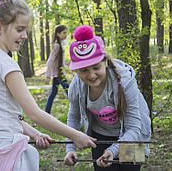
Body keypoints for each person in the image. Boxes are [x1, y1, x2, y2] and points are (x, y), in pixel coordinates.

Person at [0, 0, 97, 171]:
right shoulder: (6, 65)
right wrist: (75, 135)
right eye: (20, 29)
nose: (25, 36)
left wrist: (35, 134)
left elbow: (3, 115)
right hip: (5, 150)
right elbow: (34, 113)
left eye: (25, 30)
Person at [64, 25, 151, 171]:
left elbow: (134, 127)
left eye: (96, 67)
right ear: (77, 70)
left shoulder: (125, 81)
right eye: (84, 70)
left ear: (105, 62)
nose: (91, 75)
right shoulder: (76, 86)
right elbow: (73, 117)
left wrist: (114, 150)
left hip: (134, 135)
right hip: (101, 136)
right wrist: (70, 147)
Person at [45, 25, 69, 114]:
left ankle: (47, 113)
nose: (66, 35)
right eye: (64, 33)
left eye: (66, 32)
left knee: (53, 93)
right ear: (58, 34)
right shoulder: (57, 46)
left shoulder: (59, 45)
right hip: (59, 74)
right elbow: (51, 60)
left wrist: (67, 68)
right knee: (70, 93)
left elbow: (60, 61)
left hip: (58, 73)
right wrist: (47, 75)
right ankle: (78, 111)